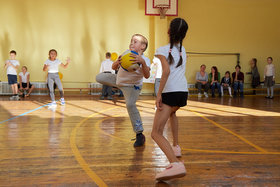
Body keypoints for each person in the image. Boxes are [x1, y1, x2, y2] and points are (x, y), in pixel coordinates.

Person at [96, 34, 150, 147]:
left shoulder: (145, 59)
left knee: (130, 105)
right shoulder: (125, 53)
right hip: (118, 81)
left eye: (135, 41)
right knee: (99, 77)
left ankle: (139, 134)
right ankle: (116, 88)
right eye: (131, 41)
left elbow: (147, 75)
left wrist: (143, 63)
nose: (131, 43)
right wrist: (117, 62)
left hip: (131, 87)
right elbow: (113, 68)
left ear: (143, 46)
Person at [151, 18, 188, 181]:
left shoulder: (162, 49)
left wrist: (159, 94)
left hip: (171, 92)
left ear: (168, 31)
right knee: (172, 114)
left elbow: (165, 71)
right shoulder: (183, 50)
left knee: (156, 132)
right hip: (183, 92)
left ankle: (175, 163)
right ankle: (176, 147)